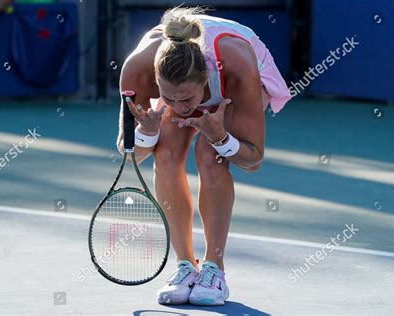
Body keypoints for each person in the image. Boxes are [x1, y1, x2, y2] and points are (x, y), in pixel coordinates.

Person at [117, 6, 291, 306]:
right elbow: (130, 152)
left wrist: (220, 138)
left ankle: (214, 270)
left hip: (237, 75)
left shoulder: (238, 65)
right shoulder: (137, 69)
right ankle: (185, 266)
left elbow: (252, 160)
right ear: (156, 80)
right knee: (166, 154)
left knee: (211, 157)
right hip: (197, 75)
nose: (178, 106)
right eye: (168, 98)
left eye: (186, 99)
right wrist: (145, 132)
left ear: (204, 81)